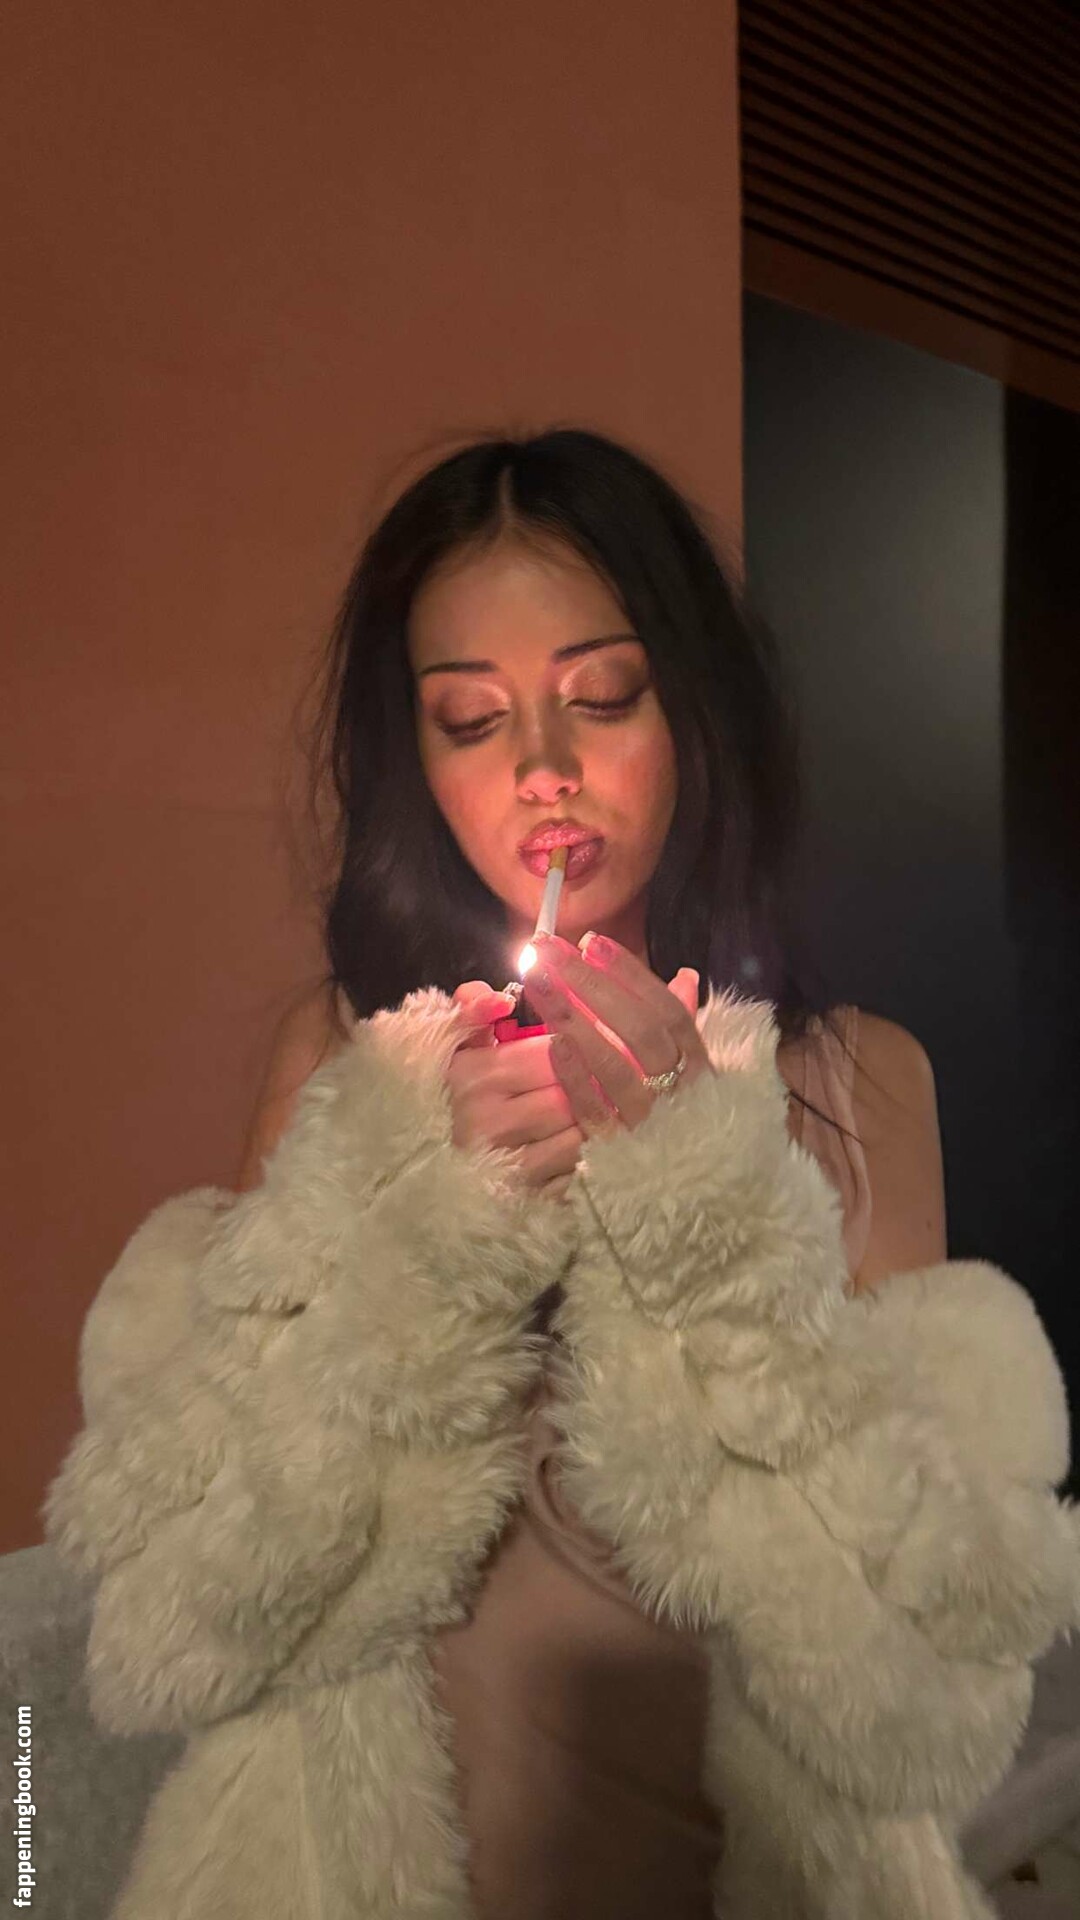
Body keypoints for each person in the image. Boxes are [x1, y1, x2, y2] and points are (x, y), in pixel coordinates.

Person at [45, 429, 1079, 1920]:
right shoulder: (343, 1062)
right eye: (471, 720)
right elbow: (187, 1626)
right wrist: (432, 1222)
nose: (543, 767)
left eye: (602, 696)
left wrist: (708, 1196)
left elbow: (926, 1703)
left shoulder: (856, 1081)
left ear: (696, 708)